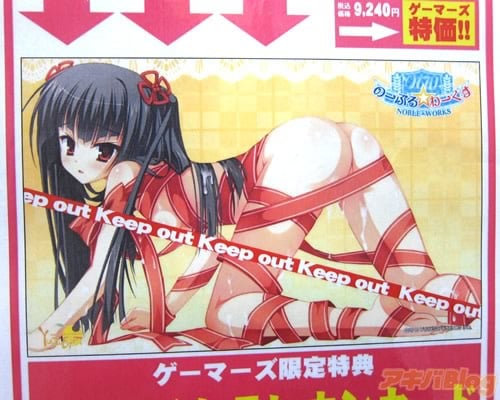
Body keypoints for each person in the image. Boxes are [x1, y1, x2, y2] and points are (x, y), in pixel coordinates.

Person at [26, 61, 480, 352]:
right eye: (67, 142)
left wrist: (48, 330)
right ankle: (471, 306)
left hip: (294, 154)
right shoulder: (158, 176)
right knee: (419, 289)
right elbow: (207, 251)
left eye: (101, 148)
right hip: (342, 141)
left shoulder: (127, 175)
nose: (77, 160)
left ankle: (377, 320)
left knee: (229, 313)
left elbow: (99, 272)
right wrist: (161, 313)